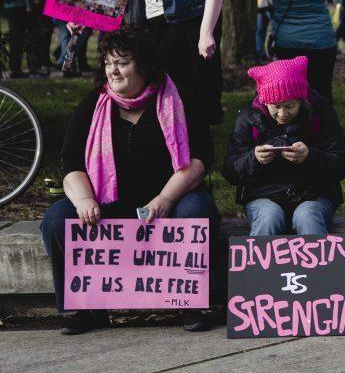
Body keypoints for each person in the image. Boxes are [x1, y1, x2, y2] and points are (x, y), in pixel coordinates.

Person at [40, 29, 220, 335]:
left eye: (122, 62)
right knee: (57, 218)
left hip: (170, 200)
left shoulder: (178, 101)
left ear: (144, 67)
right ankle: (87, 309)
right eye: (109, 63)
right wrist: (84, 201)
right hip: (107, 204)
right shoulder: (92, 105)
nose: (113, 70)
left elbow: (201, 160)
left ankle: (190, 304)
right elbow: (70, 163)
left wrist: (164, 199)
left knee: (197, 212)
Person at [222, 57, 345, 236]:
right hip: (263, 196)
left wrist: (310, 157)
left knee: (307, 217)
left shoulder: (321, 112)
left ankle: (317, 265)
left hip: (314, 195)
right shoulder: (249, 117)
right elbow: (230, 170)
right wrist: (254, 159)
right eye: (276, 107)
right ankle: (260, 264)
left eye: (290, 106)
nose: (282, 114)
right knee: (268, 217)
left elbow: (342, 165)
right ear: (264, 102)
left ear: (301, 100)